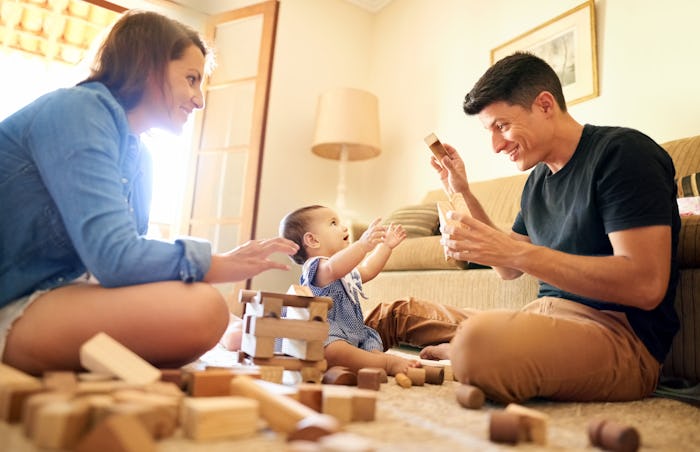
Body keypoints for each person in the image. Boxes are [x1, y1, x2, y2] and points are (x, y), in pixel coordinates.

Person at [365, 52, 680, 404]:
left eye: (502, 126)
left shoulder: (622, 154)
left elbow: (645, 284)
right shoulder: (537, 182)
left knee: (478, 342)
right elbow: (507, 268)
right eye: (490, 132)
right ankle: (323, 337)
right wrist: (462, 191)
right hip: (539, 320)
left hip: (618, 338)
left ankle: (470, 353)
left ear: (545, 105)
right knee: (395, 312)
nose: (497, 145)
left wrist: (515, 252)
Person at [0, 11, 298, 376]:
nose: (199, 100)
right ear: (147, 65)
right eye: (191, 79)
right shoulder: (77, 109)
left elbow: (128, 261)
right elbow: (115, 258)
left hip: (60, 293)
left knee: (207, 309)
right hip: (13, 297)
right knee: (205, 308)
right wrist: (215, 264)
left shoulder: (140, 155)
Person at [279, 205, 420, 375]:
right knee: (333, 351)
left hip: (353, 334)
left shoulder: (344, 271)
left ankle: (371, 360)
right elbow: (333, 268)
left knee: (370, 345)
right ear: (313, 240)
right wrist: (362, 245)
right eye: (333, 223)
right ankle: (386, 363)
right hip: (328, 334)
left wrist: (386, 247)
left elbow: (368, 269)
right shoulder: (318, 268)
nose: (344, 227)